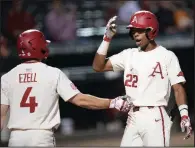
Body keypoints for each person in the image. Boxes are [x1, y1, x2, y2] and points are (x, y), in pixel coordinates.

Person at [0, 29, 131, 147]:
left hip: (15, 139)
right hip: (41, 138)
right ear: (37, 47)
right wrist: (112, 102)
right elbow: (81, 100)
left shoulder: (7, 77)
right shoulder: (52, 73)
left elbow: (1, 116)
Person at [92, 10, 192, 147]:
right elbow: (98, 66)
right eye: (133, 31)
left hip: (155, 116)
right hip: (133, 116)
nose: (135, 34)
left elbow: (178, 88)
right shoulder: (128, 55)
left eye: (139, 30)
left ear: (151, 31)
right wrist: (106, 38)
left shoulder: (167, 56)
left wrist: (184, 115)